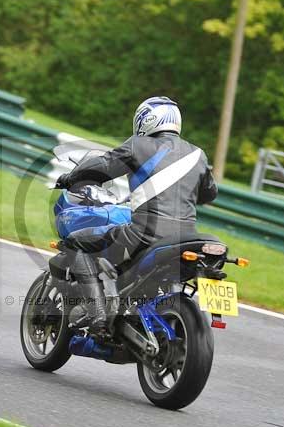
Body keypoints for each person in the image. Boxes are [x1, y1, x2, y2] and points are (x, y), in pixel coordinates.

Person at [54, 96, 218, 328]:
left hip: (144, 236)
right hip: (186, 238)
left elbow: (103, 166)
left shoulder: (138, 145)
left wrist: (71, 178)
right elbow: (209, 194)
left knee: (74, 242)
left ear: (146, 120)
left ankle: (96, 312)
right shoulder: (197, 154)